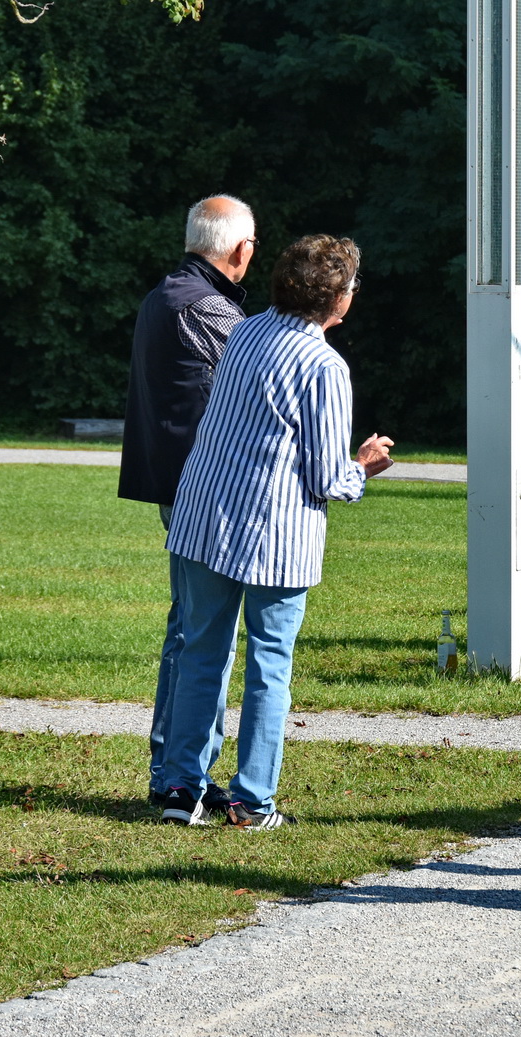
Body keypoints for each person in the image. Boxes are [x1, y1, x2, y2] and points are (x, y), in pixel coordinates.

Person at [158, 235, 395, 828]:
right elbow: (325, 477)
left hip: (204, 516)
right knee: (269, 665)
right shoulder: (324, 366)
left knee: (200, 654)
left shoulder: (244, 333)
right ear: (337, 297)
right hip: (274, 533)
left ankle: (179, 790)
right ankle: (250, 799)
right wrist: (363, 465)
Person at [118, 195, 257, 815]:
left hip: (175, 483)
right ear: (241, 251)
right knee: (203, 635)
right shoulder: (204, 304)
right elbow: (261, 367)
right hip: (202, 489)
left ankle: (174, 769)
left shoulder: (164, 294)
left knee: (190, 630)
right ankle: (181, 774)